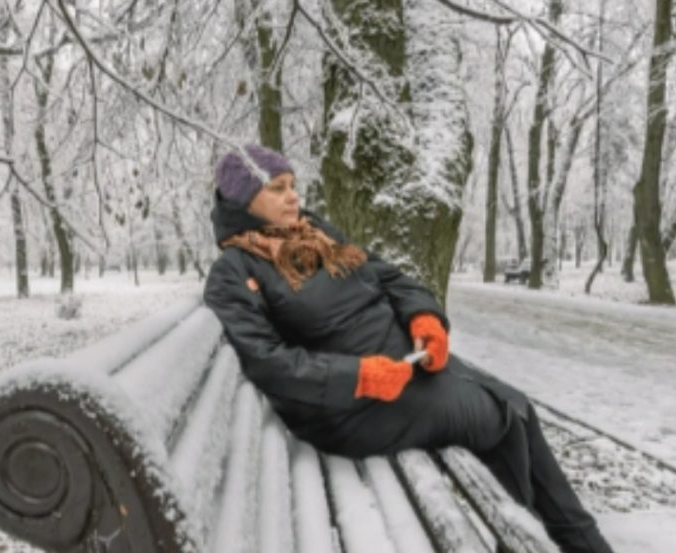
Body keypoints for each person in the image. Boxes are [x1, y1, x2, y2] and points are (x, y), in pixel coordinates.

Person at [203, 145, 613, 553]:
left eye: (293, 185)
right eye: (277, 188)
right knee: (506, 416)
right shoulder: (235, 272)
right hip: (350, 410)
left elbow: (389, 277)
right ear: (243, 199)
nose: (293, 196)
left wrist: (424, 318)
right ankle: (562, 544)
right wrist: (358, 376)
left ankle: (572, 543)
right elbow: (268, 362)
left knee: (517, 408)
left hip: (401, 371)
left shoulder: (315, 232)